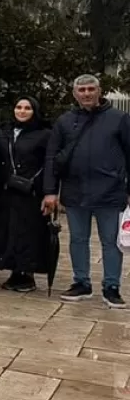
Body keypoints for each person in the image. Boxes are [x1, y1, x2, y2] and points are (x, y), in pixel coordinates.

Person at [44, 74, 130, 309]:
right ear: (74, 94)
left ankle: (111, 286)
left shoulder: (119, 119)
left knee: (111, 242)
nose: (87, 94)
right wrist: (50, 192)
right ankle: (81, 282)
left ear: (99, 91)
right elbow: (52, 157)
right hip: (75, 191)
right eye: (81, 90)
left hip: (110, 192)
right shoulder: (64, 121)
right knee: (78, 240)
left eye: (91, 89)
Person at [0, 97, 51, 294]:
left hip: (30, 193)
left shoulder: (44, 134)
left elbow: (49, 164)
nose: (22, 111)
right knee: (8, 230)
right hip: (6, 192)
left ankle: (27, 273)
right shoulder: (5, 133)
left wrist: (47, 190)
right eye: (18, 107)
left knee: (28, 232)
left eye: (27, 108)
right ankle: (13, 270)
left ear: (34, 111)